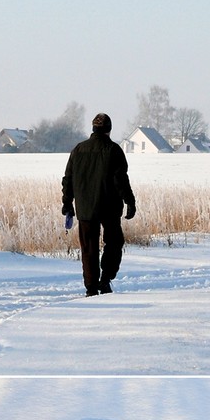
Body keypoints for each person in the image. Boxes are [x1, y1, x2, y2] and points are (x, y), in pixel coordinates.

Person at [61, 112, 136, 296]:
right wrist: (130, 201)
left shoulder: (78, 150)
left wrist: (67, 203)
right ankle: (105, 279)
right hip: (109, 208)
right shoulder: (113, 150)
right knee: (114, 242)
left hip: (85, 209)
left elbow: (68, 179)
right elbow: (121, 180)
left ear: (93, 129)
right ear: (109, 130)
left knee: (89, 248)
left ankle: (91, 287)